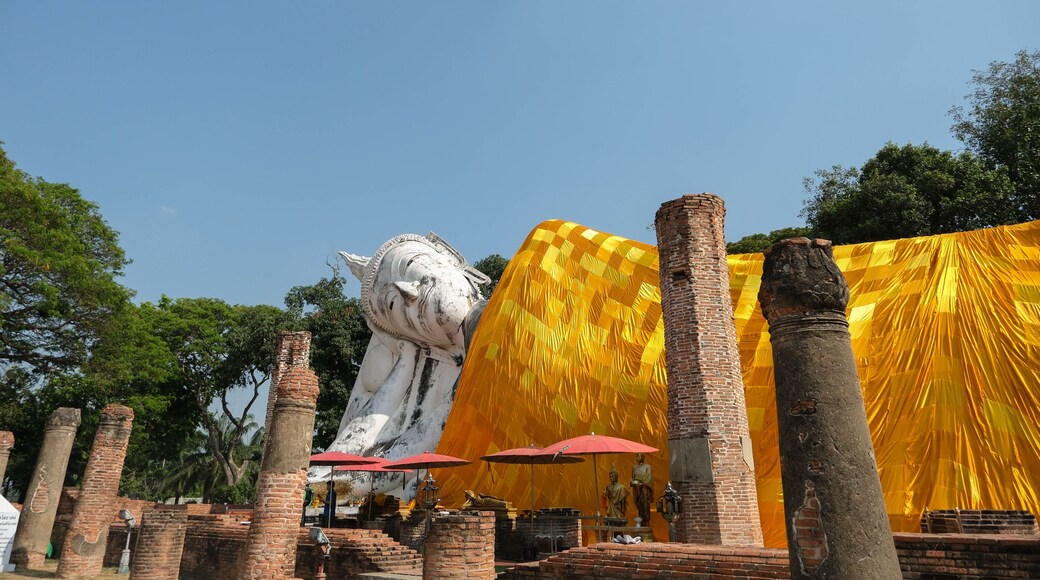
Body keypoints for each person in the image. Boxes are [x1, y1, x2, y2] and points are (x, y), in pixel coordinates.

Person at [324, 233, 489, 493]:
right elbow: (338, 481)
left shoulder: (529, 276)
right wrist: (406, 361)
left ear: (451, 259)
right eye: (393, 304)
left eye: (412, 265)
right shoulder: (454, 387)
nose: (408, 290)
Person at [630, 453, 653, 525]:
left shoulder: (647, 467)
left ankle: (646, 522)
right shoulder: (635, 467)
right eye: (637, 455)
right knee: (639, 505)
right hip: (637, 490)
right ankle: (640, 521)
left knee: (645, 506)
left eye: (639, 455)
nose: (638, 457)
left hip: (644, 489)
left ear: (643, 456)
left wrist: (643, 484)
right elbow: (632, 478)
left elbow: (649, 478)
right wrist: (632, 482)